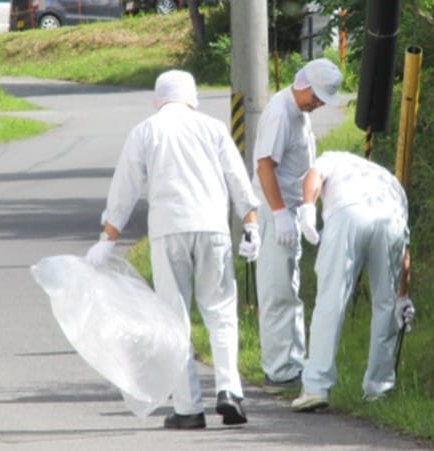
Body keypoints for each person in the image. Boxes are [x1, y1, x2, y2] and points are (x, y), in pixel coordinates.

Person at [85, 69, 261, 429]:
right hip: (213, 228)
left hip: (169, 230)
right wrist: (251, 222)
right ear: (193, 98)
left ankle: (189, 408)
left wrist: (109, 237)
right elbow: (237, 177)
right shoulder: (213, 129)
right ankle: (230, 392)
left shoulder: (146, 130)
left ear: (158, 99)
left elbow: (125, 187)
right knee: (221, 311)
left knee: (174, 318)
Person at [289, 151, 414, 412]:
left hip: (348, 213)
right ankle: (378, 389)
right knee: (386, 305)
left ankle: (315, 387)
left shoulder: (334, 157)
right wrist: (402, 296)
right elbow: (405, 251)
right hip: (390, 218)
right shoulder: (389, 181)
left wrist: (308, 208)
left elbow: (313, 176)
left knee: (331, 300)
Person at [251, 58, 343, 393]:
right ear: (302, 84)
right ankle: (278, 370)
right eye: (316, 96)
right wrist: (278, 213)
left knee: (291, 289)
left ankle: (294, 360)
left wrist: (302, 210)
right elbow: (264, 167)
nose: (318, 103)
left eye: (322, 99)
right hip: (276, 212)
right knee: (277, 292)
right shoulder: (280, 113)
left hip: (290, 212)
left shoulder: (300, 113)